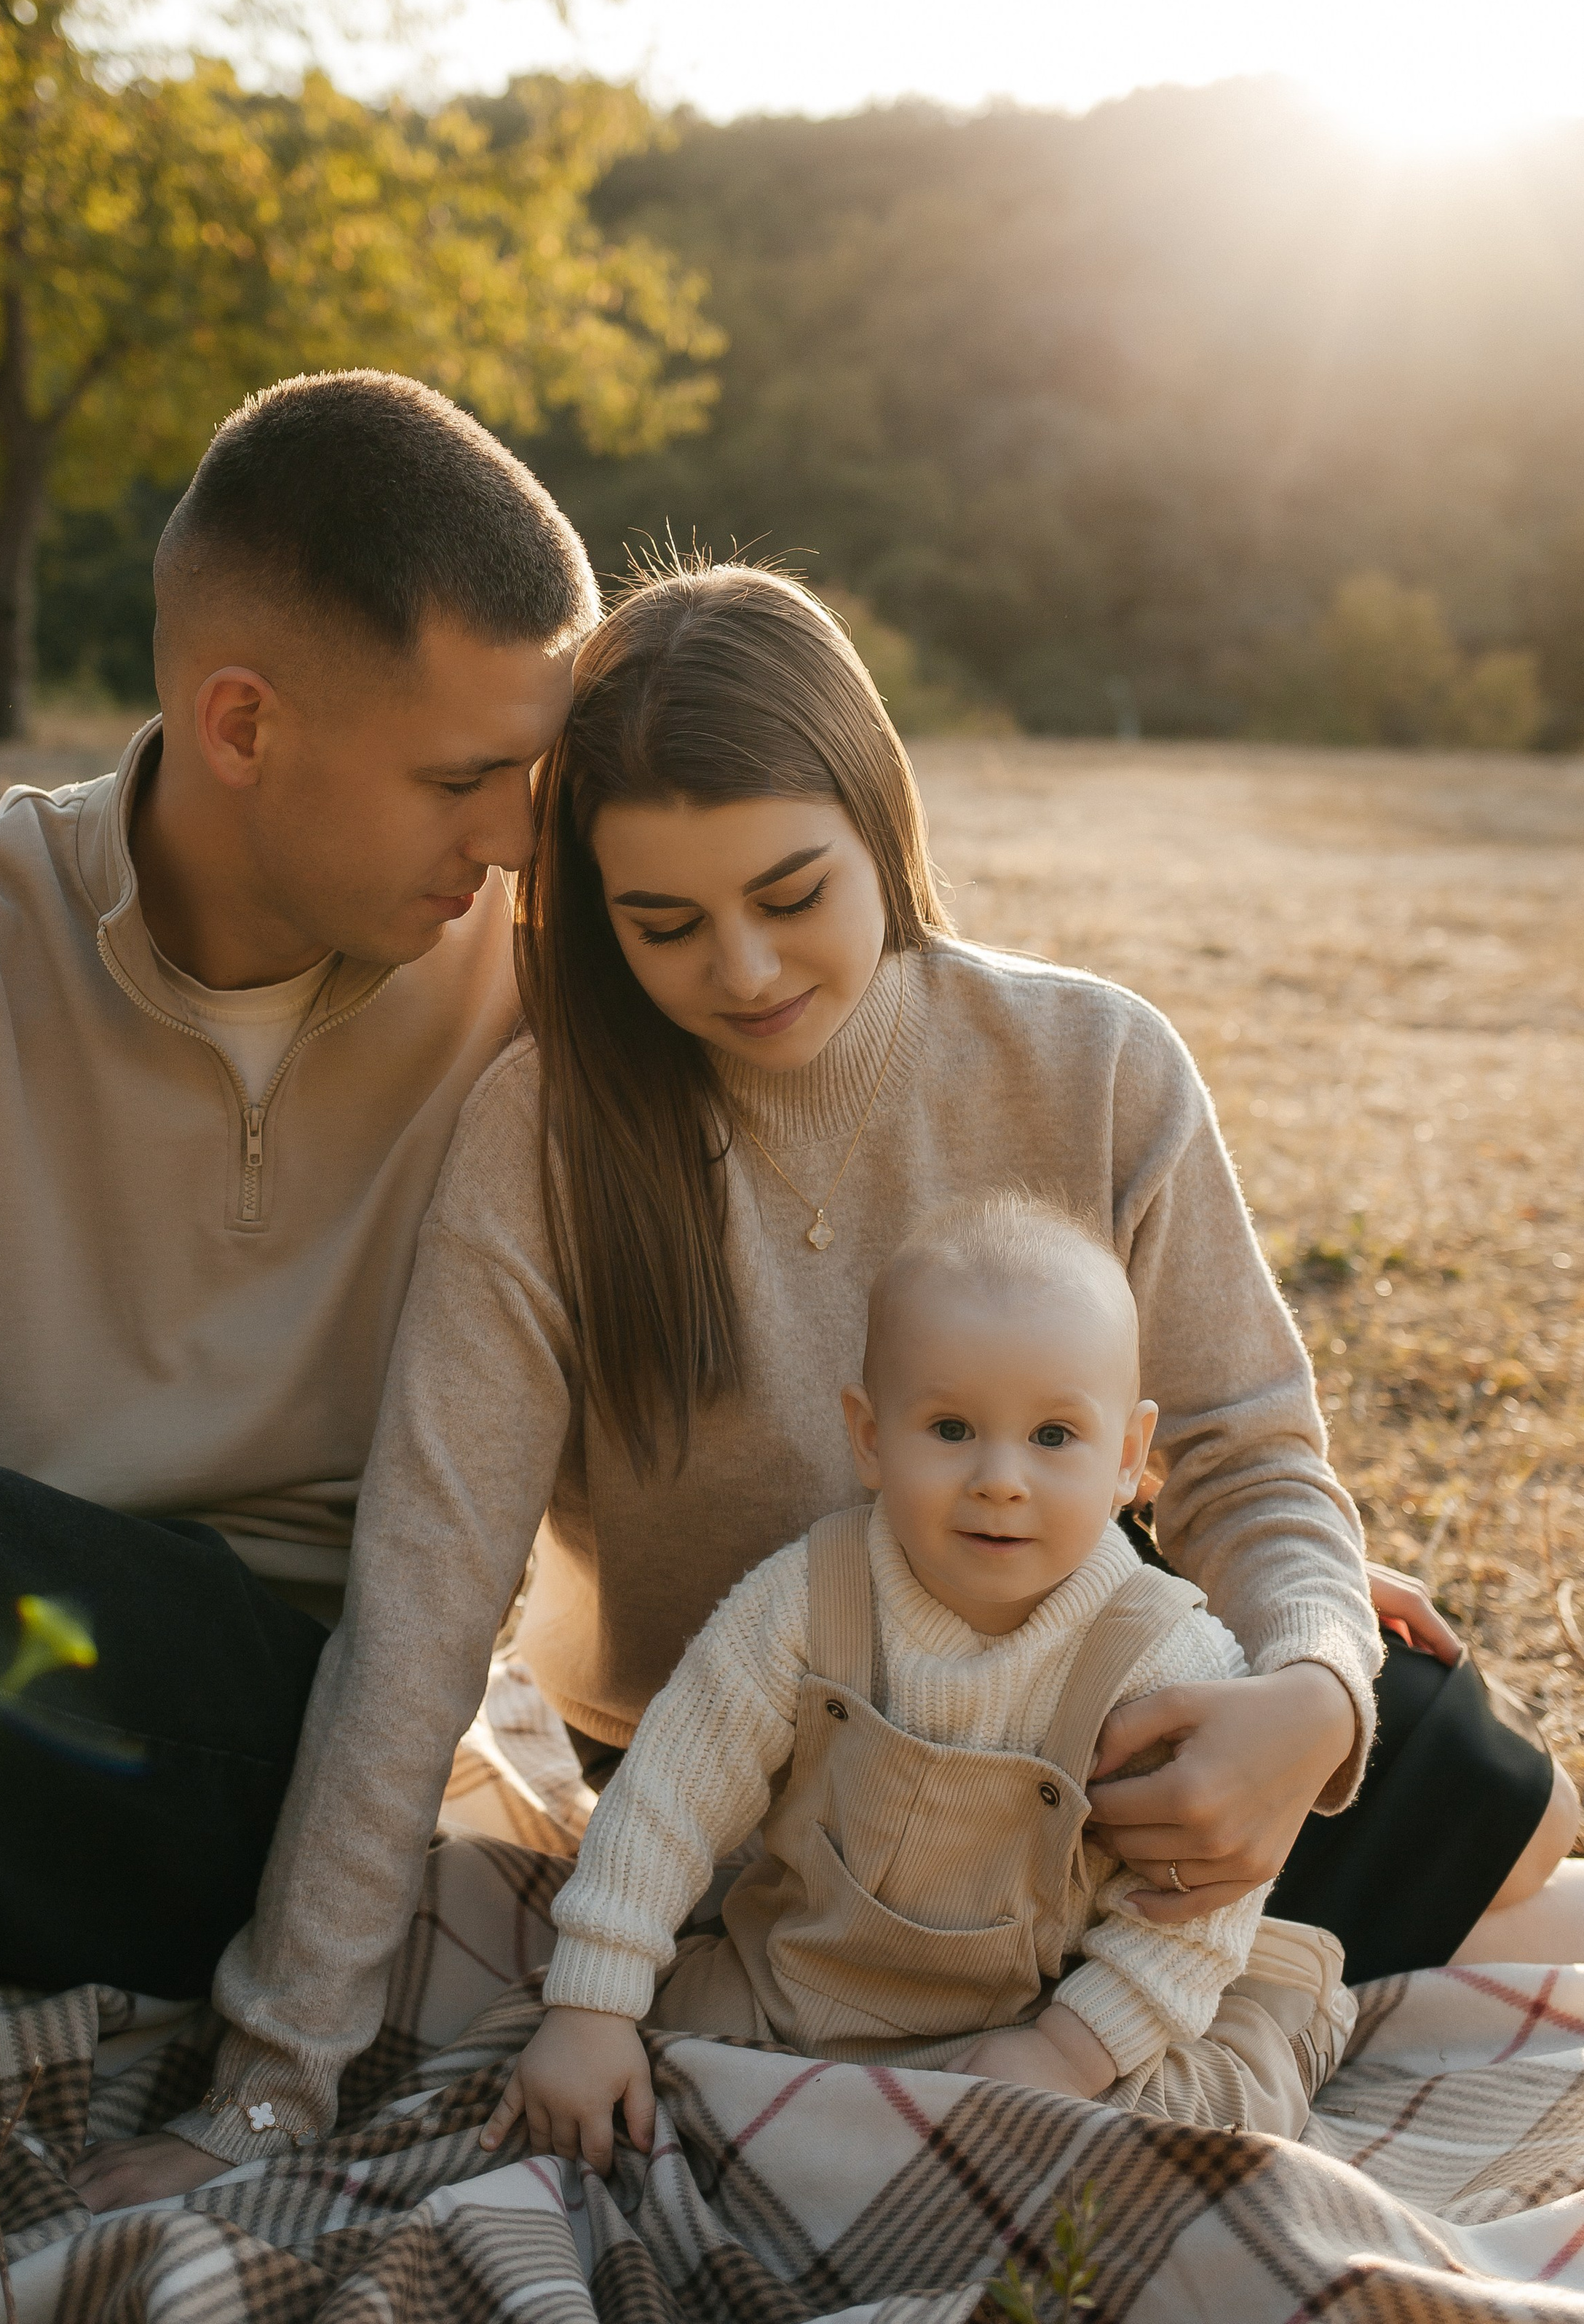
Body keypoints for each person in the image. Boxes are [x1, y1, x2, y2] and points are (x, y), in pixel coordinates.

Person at [182, 559, 1576, 2171]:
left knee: (1424, 1722)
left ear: (880, 824)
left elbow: (1245, 1451)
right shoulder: (546, 1136)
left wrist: (1308, 1704)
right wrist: (271, 2079)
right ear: (585, 908)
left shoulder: (1090, 1063)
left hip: (1071, 1723)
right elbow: (421, 1606)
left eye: (790, 895)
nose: (746, 971)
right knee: (1463, 1846)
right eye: (665, 924)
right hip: (754, 1792)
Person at [0, 369, 596, 2200]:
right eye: (460, 778)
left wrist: (1252, 1552)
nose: (516, 835)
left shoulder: (551, 970)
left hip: (338, 1744)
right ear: (241, 724)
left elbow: (905, 1160)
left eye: (535, 775)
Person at [482, 1193, 1355, 2173]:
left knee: (1182, 2138)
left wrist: (1067, 2051)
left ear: (1126, 1458)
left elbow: (1193, 1908)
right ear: (868, 1435)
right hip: (801, 1983)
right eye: (949, 1428)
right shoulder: (809, 1599)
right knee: (601, 2075)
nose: (1000, 1479)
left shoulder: (1162, 1659)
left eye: (1054, 1438)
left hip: (1051, 2018)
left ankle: (1278, 2034)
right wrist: (593, 2004)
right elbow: (669, 1797)